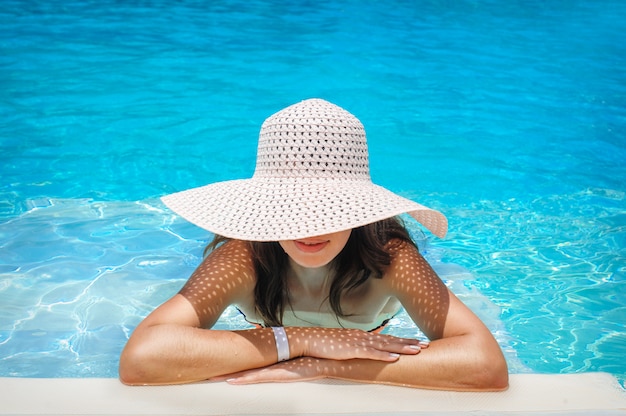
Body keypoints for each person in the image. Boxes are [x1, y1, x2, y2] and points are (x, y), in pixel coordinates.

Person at [119, 99, 508, 390]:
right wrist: (307, 340)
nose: (310, 226)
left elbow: (485, 366)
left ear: (359, 209)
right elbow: (142, 359)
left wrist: (327, 365)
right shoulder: (244, 258)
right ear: (266, 205)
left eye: (330, 207)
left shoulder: (388, 259)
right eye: (291, 206)